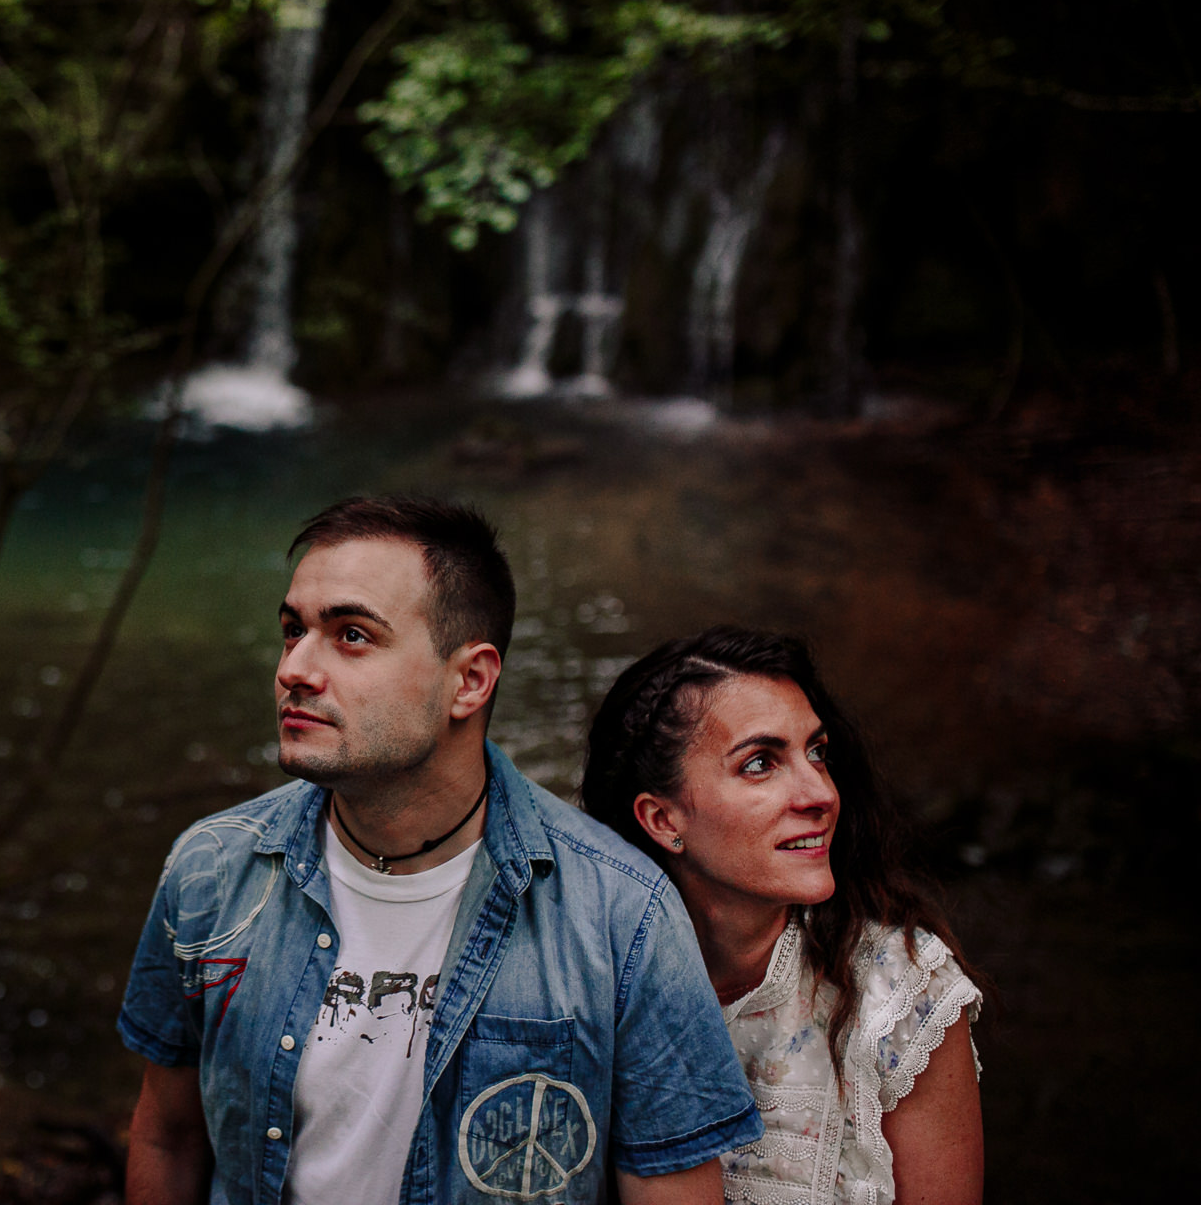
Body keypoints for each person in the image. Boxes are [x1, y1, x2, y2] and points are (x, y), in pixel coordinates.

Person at [119, 496, 762, 1205]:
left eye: (352, 635)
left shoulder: (620, 914)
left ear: (471, 681)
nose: (294, 668)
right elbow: (168, 1135)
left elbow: (669, 1187)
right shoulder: (211, 870)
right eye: (291, 630)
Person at [580, 627, 987, 1205]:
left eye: (817, 753)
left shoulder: (903, 993)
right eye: (760, 764)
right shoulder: (586, 984)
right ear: (664, 820)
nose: (819, 792)